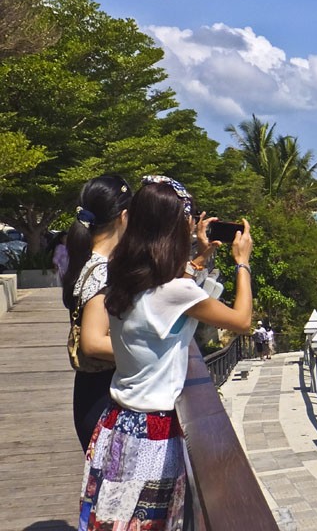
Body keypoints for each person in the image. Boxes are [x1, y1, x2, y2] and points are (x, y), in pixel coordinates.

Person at [78, 176, 253, 531]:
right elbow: (242, 320)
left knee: (111, 520)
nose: (191, 225)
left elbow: (167, 288)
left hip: (116, 423)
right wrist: (242, 263)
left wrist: (201, 256)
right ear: (173, 226)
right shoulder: (174, 291)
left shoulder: (121, 273)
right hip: (152, 432)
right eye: (187, 220)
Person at [62, 176, 132, 453]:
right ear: (123, 217)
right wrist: (150, 352)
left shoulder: (86, 260)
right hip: (102, 395)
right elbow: (93, 342)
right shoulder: (103, 271)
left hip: (90, 392)